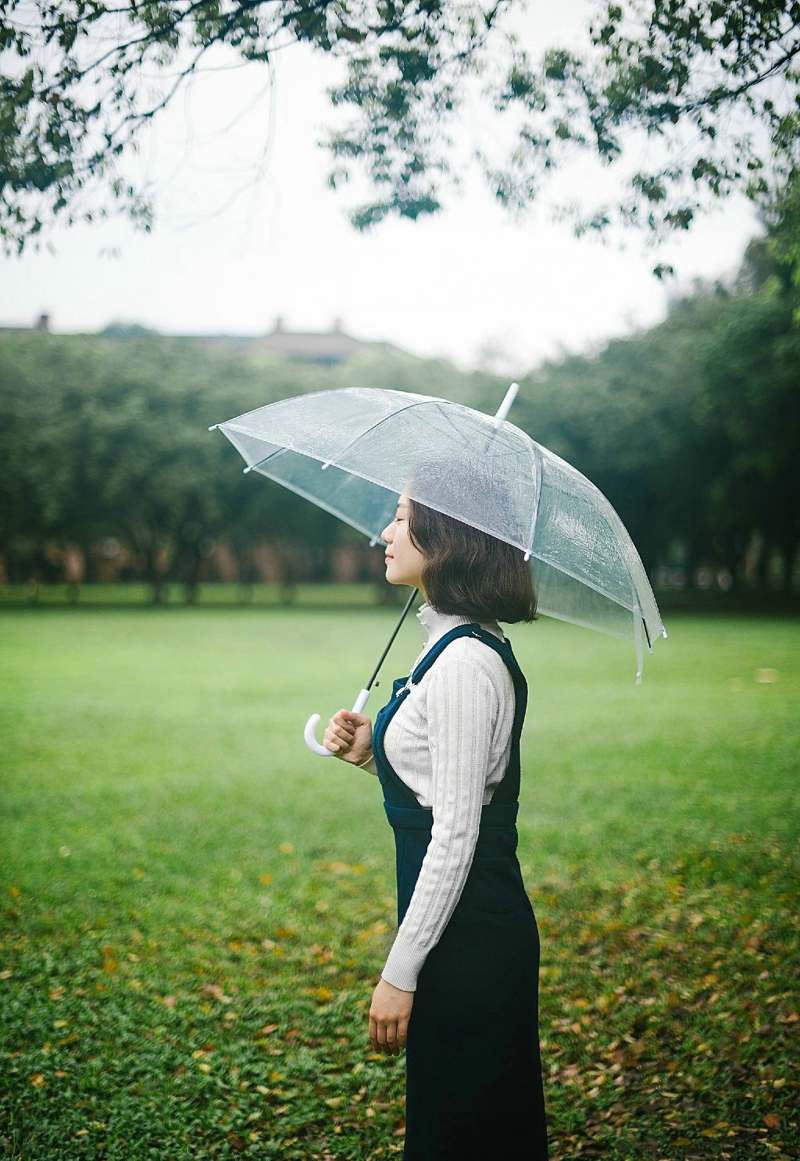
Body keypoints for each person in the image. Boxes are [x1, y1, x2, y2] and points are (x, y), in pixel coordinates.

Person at [324, 494, 548, 1161]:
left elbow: (455, 834)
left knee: (465, 1128)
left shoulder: (462, 665)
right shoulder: (450, 646)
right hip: (460, 927)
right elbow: (445, 788)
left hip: (472, 938)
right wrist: (371, 751)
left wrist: (400, 972)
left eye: (400, 517)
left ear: (445, 536)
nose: (385, 533)